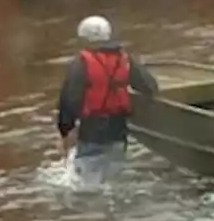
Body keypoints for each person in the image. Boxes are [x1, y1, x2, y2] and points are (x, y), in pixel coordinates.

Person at [57, 15, 159, 184]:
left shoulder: (81, 63)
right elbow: (149, 86)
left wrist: (65, 131)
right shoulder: (124, 59)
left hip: (91, 131)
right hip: (118, 130)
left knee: (85, 180)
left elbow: (69, 99)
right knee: (114, 178)